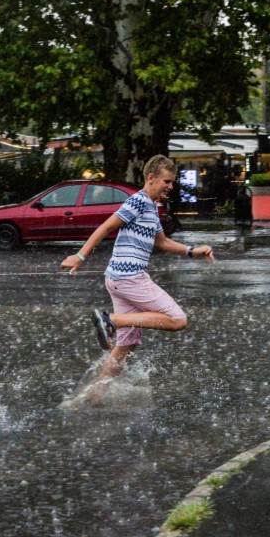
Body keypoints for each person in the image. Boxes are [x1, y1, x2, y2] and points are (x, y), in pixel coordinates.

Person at [60, 155, 214, 397]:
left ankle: (92, 395)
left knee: (126, 345)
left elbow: (161, 242)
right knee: (177, 320)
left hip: (119, 280)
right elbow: (106, 226)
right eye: (167, 181)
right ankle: (110, 320)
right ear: (151, 178)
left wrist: (192, 251)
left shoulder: (152, 207)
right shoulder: (139, 201)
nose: (171, 187)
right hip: (129, 278)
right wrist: (80, 256)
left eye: (172, 182)